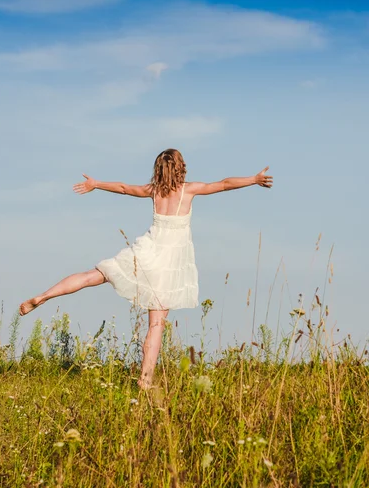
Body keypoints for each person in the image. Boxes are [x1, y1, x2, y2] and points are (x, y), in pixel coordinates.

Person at [19, 149, 273, 388]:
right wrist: (254, 179)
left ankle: (43, 296)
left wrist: (96, 184)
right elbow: (224, 184)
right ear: (181, 168)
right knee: (155, 326)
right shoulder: (189, 190)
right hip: (167, 266)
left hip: (146, 252)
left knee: (93, 275)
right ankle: (145, 379)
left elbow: (123, 188)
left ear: (158, 170)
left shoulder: (152, 191)